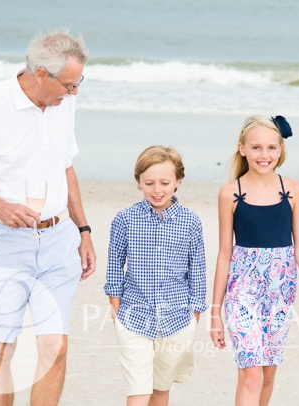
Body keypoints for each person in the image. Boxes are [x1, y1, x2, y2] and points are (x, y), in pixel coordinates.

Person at [0, 29, 95, 405]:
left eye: (78, 83)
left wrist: (83, 230)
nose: (74, 93)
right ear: (42, 74)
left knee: (54, 348)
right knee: (1, 346)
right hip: (2, 243)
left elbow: (66, 167)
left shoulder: (64, 103)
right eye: (69, 85)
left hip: (58, 242)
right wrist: (0, 206)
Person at [209, 115, 299, 405]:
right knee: (251, 374)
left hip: (280, 292)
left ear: (280, 150)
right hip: (242, 292)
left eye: (272, 148)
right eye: (257, 148)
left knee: (268, 373)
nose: (265, 155)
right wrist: (215, 313)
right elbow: (225, 254)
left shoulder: (293, 191)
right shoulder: (230, 194)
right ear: (242, 149)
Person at [104, 145, 208, 406]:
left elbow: (197, 271)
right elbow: (114, 268)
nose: (157, 189)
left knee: (160, 389)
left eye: (165, 182)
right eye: (149, 182)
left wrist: (194, 316)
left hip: (177, 320)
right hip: (133, 318)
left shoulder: (191, 222)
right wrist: (117, 312)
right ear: (139, 181)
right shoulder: (125, 220)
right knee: (138, 391)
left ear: (178, 182)